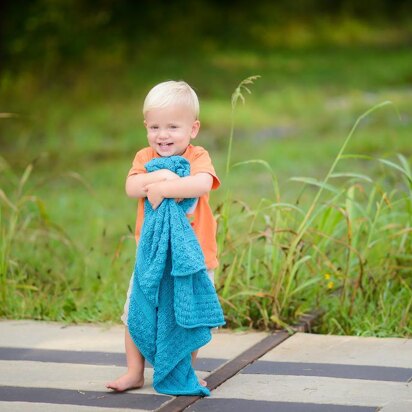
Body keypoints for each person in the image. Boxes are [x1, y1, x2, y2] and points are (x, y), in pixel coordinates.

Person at [106, 80, 221, 392]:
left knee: (190, 314)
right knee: (136, 310)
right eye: (155, 126)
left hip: (194, 255)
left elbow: (200, 184)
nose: (163, 135)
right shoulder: (145, 158)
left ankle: (182, 369)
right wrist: (160, 175)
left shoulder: (198, 157)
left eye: (173, 126)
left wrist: (161, 188)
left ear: (193, 129)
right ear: (146, 127)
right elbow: (131, 188)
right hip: (153, 255)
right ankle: (134, 371)